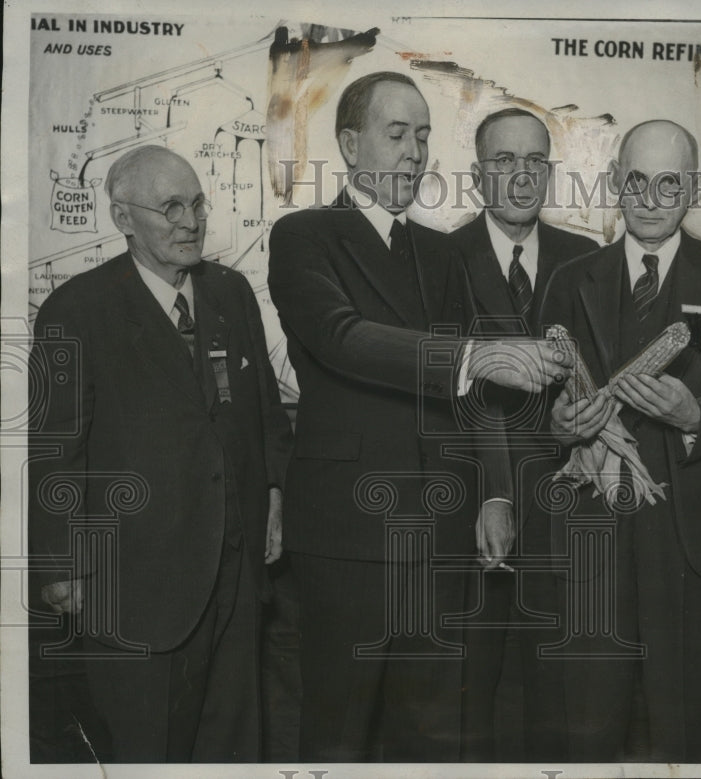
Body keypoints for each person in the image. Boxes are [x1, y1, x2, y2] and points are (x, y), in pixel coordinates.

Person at [266, 71, 568, 762]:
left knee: (431, 739)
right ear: (349, 143)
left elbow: (473, 397)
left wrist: (494, 492)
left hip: (441, 535)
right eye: (396, 133)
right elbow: (342, 337)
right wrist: (473, 352)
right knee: (337, 736)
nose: (413, 151)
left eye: (423, 136)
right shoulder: (304, 236)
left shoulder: (440, 251)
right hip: (348, 535)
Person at [28, 145, 294, 762]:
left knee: (232, 750)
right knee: (147, 752)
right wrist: (65, 567)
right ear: (123, 218)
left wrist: (275, 495)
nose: (190, 221)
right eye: (169, 206)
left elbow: (265, 418)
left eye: (197, 203)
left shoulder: (230, 292)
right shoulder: (77, 310)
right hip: (135, 587)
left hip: (235, 572)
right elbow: (53, 454)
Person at [537, 119, 701, 762]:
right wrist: (558, 427)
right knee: (586, 718)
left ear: (692, 189)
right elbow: (538, 403)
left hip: (689, 529)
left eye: (668, 184)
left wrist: (695, 411)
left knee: (685, 722)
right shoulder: (571, 277)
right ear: (614, 182)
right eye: (636, 180)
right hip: (591, 526)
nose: (649, 198)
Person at [448, 107, 599, 761]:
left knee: (561, 701)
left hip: (568, 514)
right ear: (478, 174)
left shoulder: (587, 259)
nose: (520, 176)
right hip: (468, 511)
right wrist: (494, 490)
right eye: (504, 161)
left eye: (534, 161)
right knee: (465, 702)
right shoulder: (438, 260)